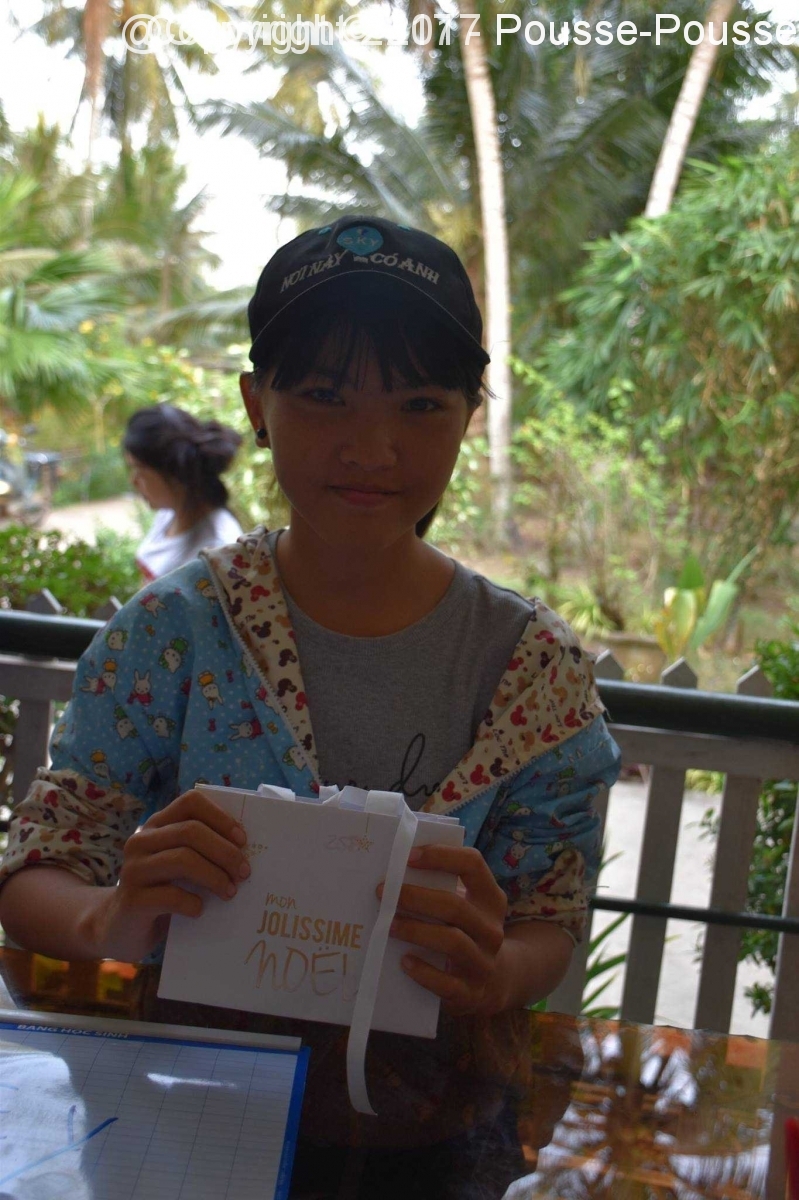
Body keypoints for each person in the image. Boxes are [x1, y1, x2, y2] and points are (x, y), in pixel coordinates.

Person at [0, 215, 622, 1030]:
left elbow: (546, 913)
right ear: (257, 406)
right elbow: (39, 868)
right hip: (191, 1082)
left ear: (468, 416)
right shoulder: (175, 633)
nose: (371, 447)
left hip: (424, 1097)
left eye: (420, 404)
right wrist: (107, 918)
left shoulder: (530, 671)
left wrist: (498, 969)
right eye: (326, 397)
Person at [123, 404, 243, 580]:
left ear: (173, 474)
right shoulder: (169, 514)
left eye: (140, 469)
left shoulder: (219, 549)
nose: (133, 480)